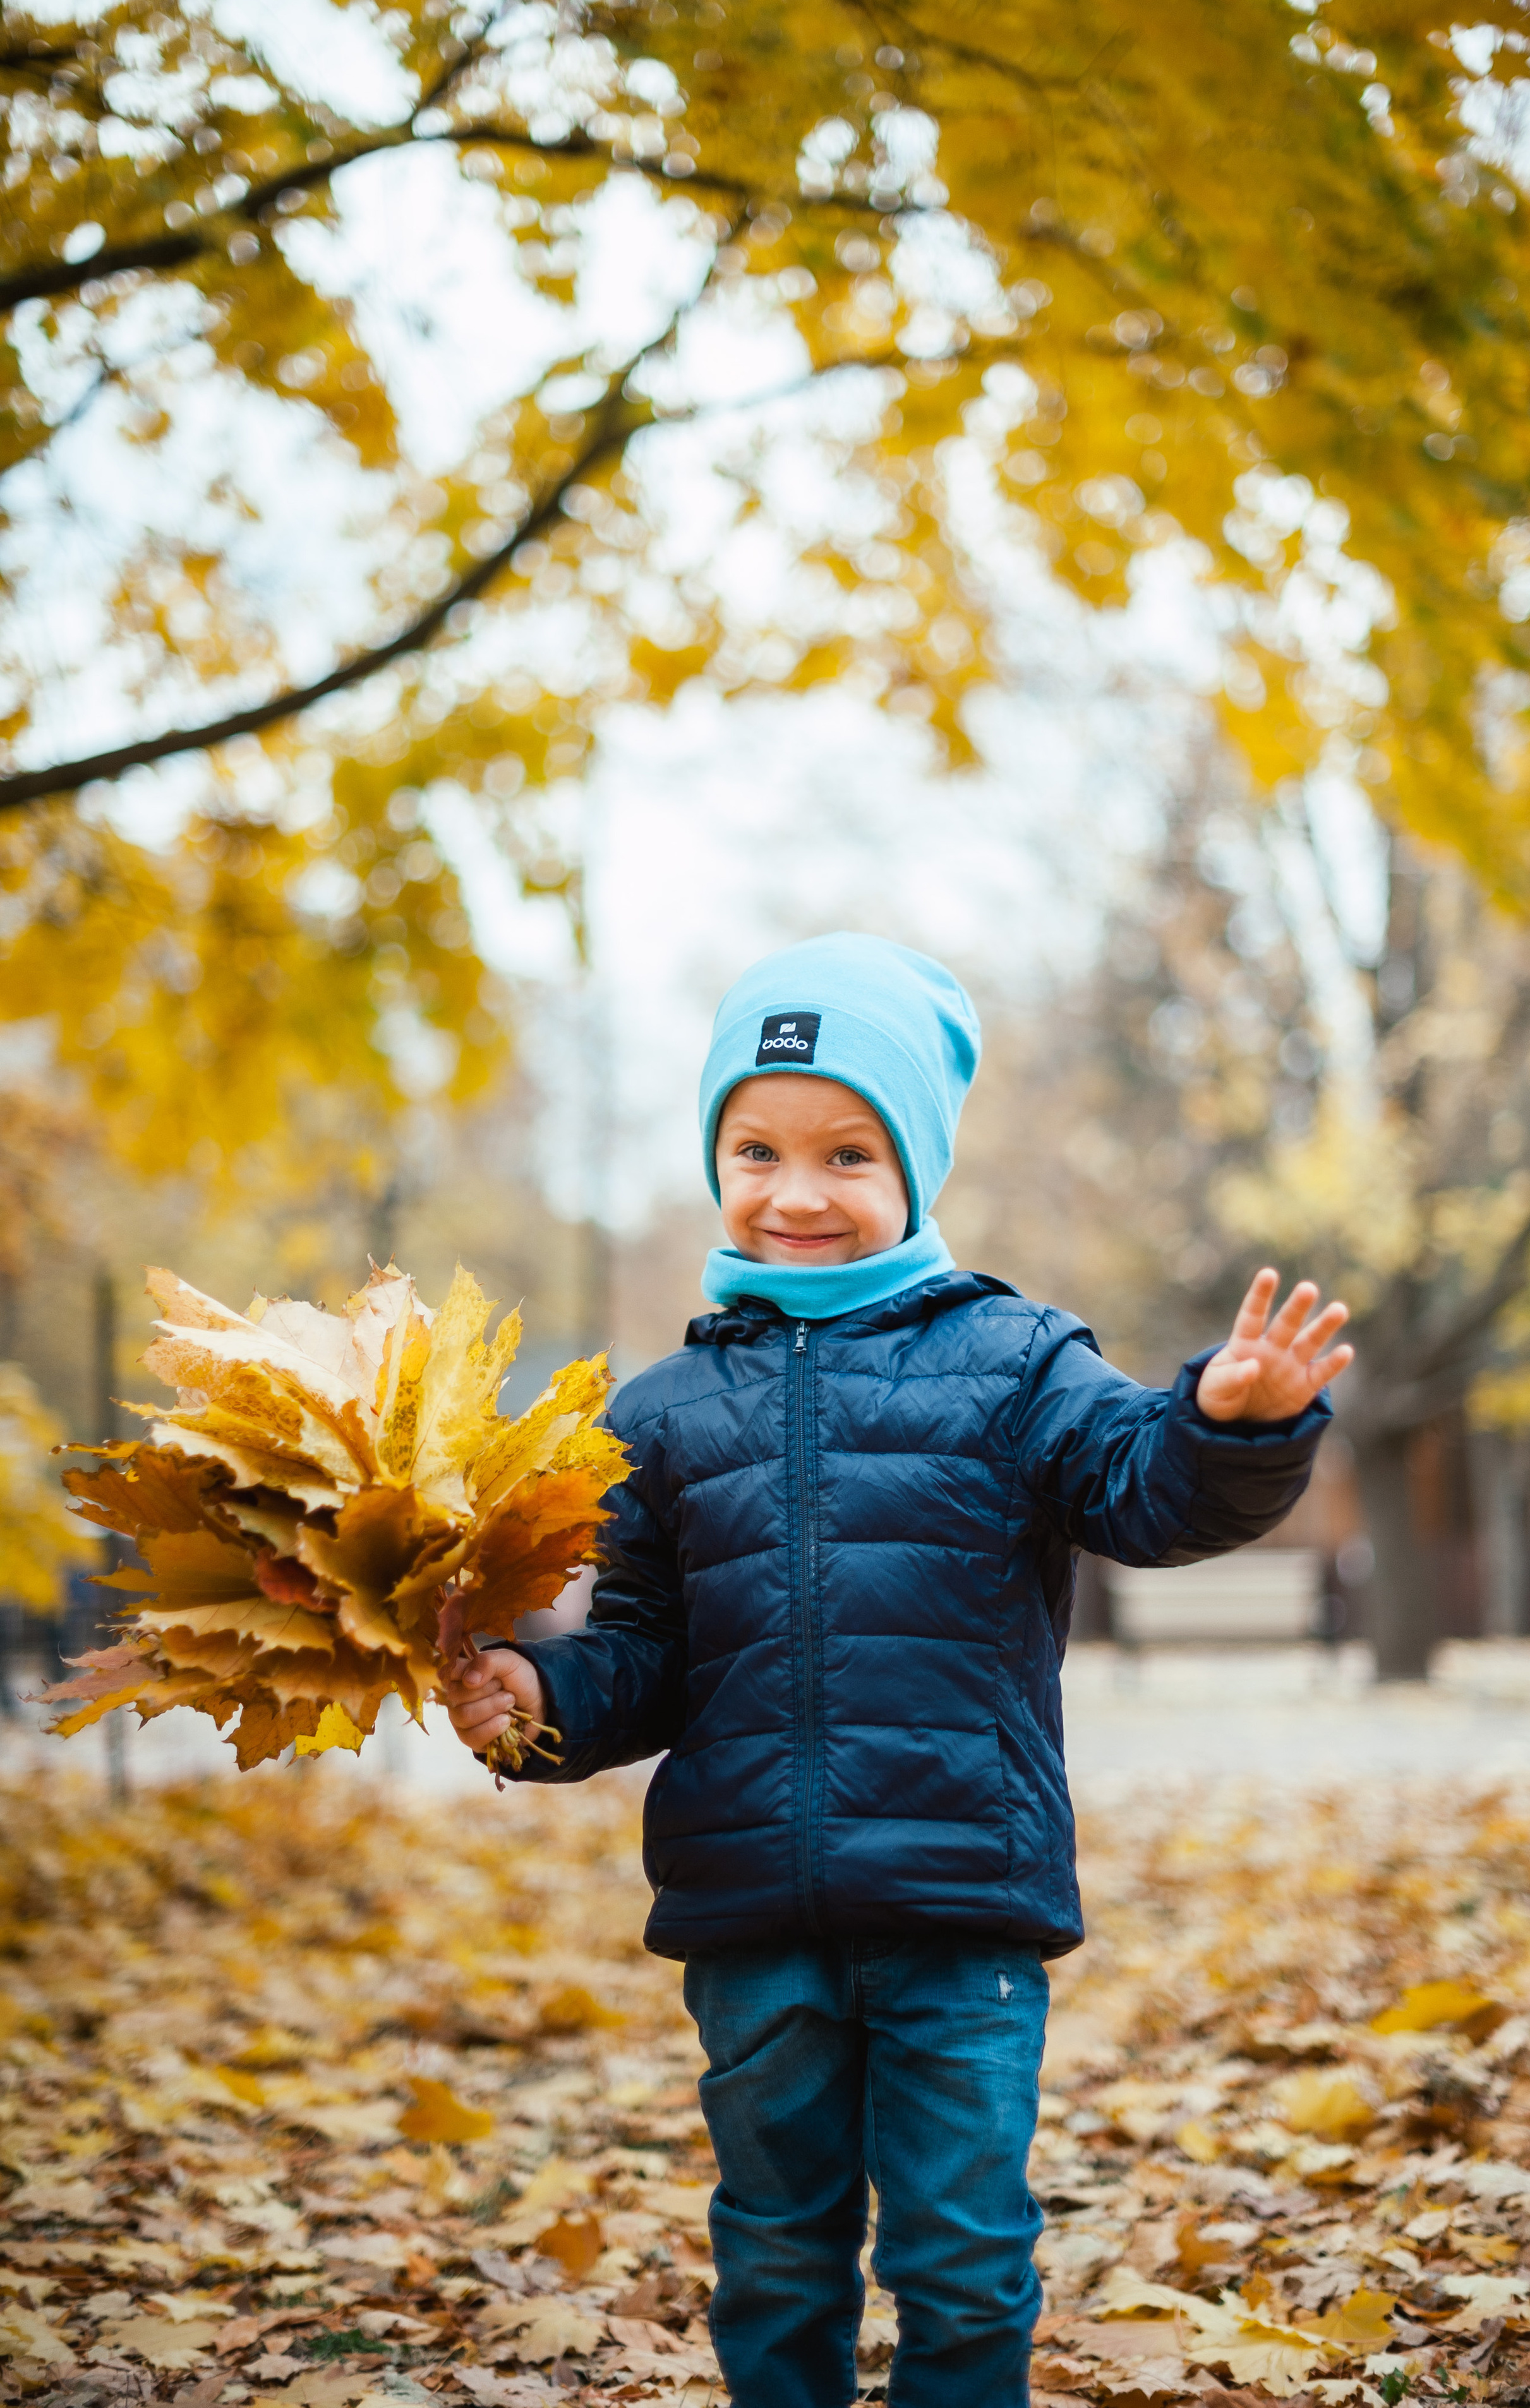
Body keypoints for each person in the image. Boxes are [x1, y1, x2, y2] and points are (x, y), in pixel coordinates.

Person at [443, 933, 1352, 2408]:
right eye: (757, 1148)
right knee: (778, 2254)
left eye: (847, 1153)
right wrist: (541, 1703)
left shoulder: (1010, 1361)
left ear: (913, 1168)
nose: (796, 1192)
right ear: (714, 1157)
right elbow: (644, 1654)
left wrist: (1226, 1425)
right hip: (752, 1918)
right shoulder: (660, 1412)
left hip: (959, 1909)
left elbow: (1141, 1489)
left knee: (962, 2254)